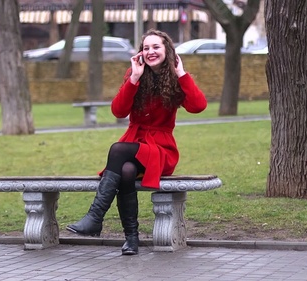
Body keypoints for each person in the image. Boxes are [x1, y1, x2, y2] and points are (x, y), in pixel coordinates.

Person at [66, 29, 207, 255]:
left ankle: (95, 216)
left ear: (167, 50)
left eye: (156, 47)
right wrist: (133, 78)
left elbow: (198, 106)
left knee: (118, 150)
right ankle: (131, 239)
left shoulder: (176, 77)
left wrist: (181, 74)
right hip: (135, 144)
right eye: (146, 48)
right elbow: (118, 111)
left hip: (161, 149)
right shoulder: (135, 74)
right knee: (127, 170)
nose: (150, 52)